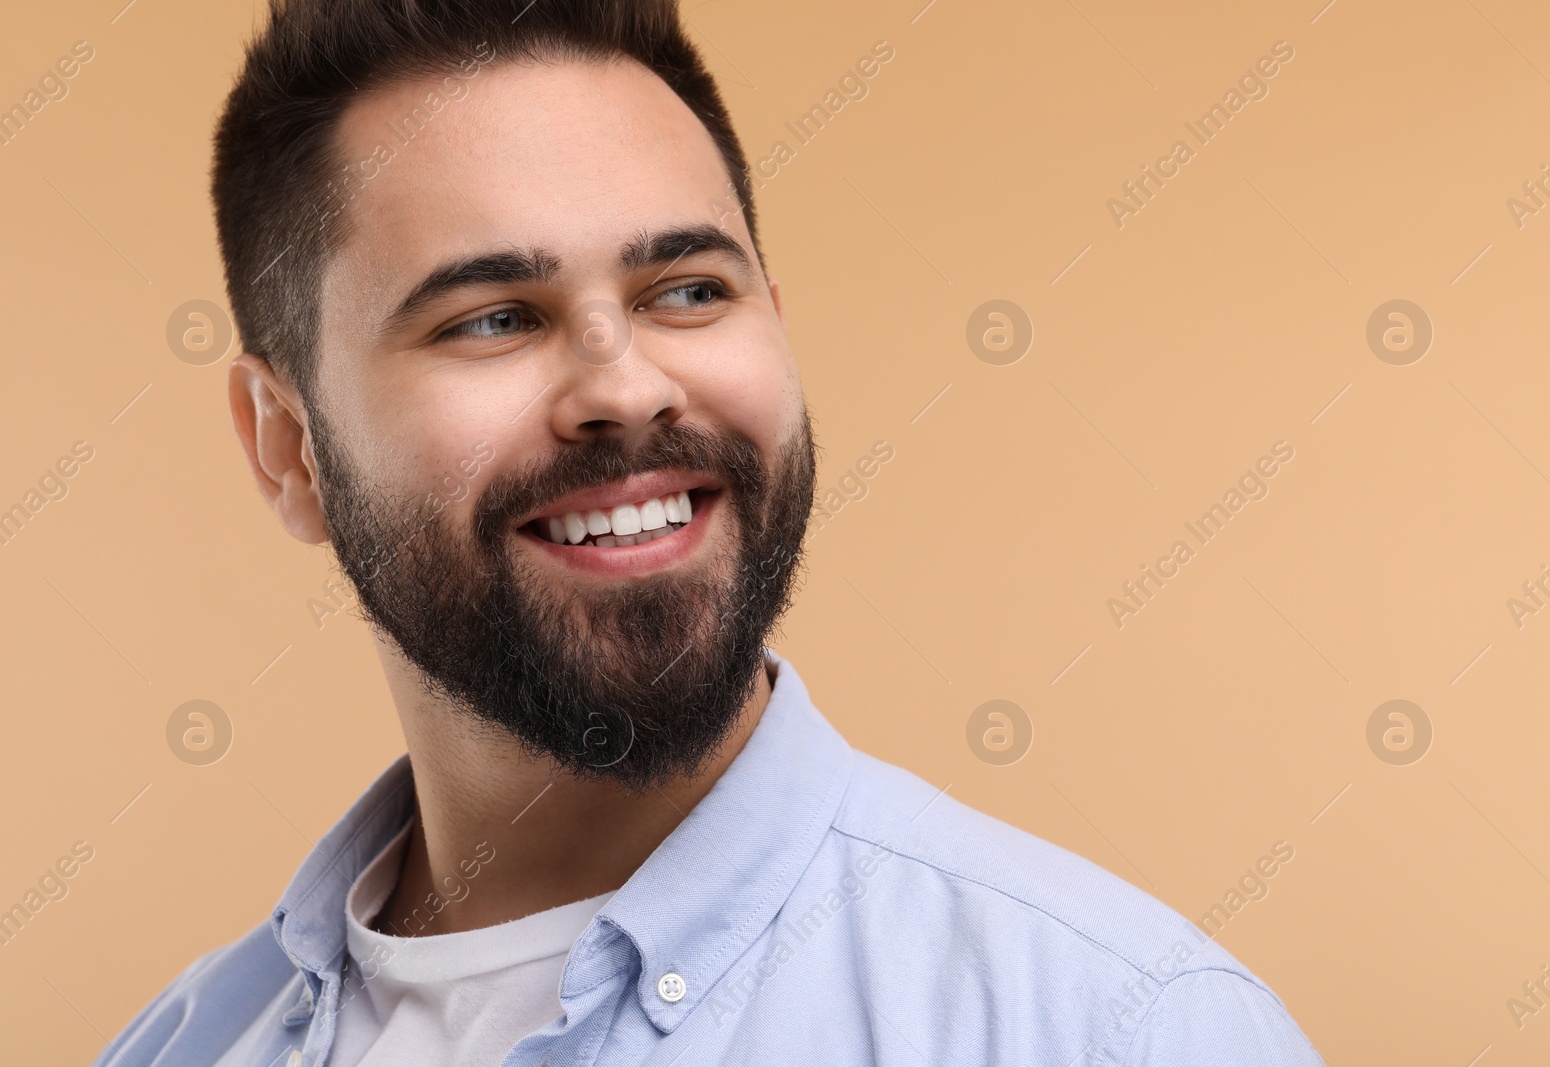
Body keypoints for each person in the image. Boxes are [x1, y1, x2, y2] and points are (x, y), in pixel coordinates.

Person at [97, 1, 1322, 1063]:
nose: (625, 388)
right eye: (490, 317)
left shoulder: (1119, 1030)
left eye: (688, 292)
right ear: (287, 445)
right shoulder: (180, 1045)